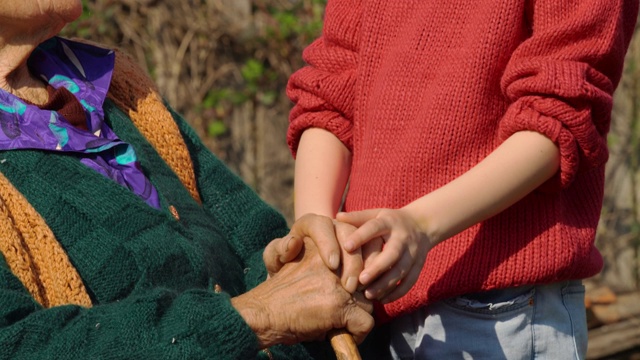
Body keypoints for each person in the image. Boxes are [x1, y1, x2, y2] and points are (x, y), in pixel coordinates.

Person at [0, 1, 375, 359]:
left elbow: (253, 236)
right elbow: (18, 345)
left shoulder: (108, 83)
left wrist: (308, 264)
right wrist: (257, 315)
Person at [287, 0, 639, 358]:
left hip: (497, 309)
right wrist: (319, 240)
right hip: (367, 303)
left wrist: (420, 224)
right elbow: (331, 89)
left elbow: (558, 113)